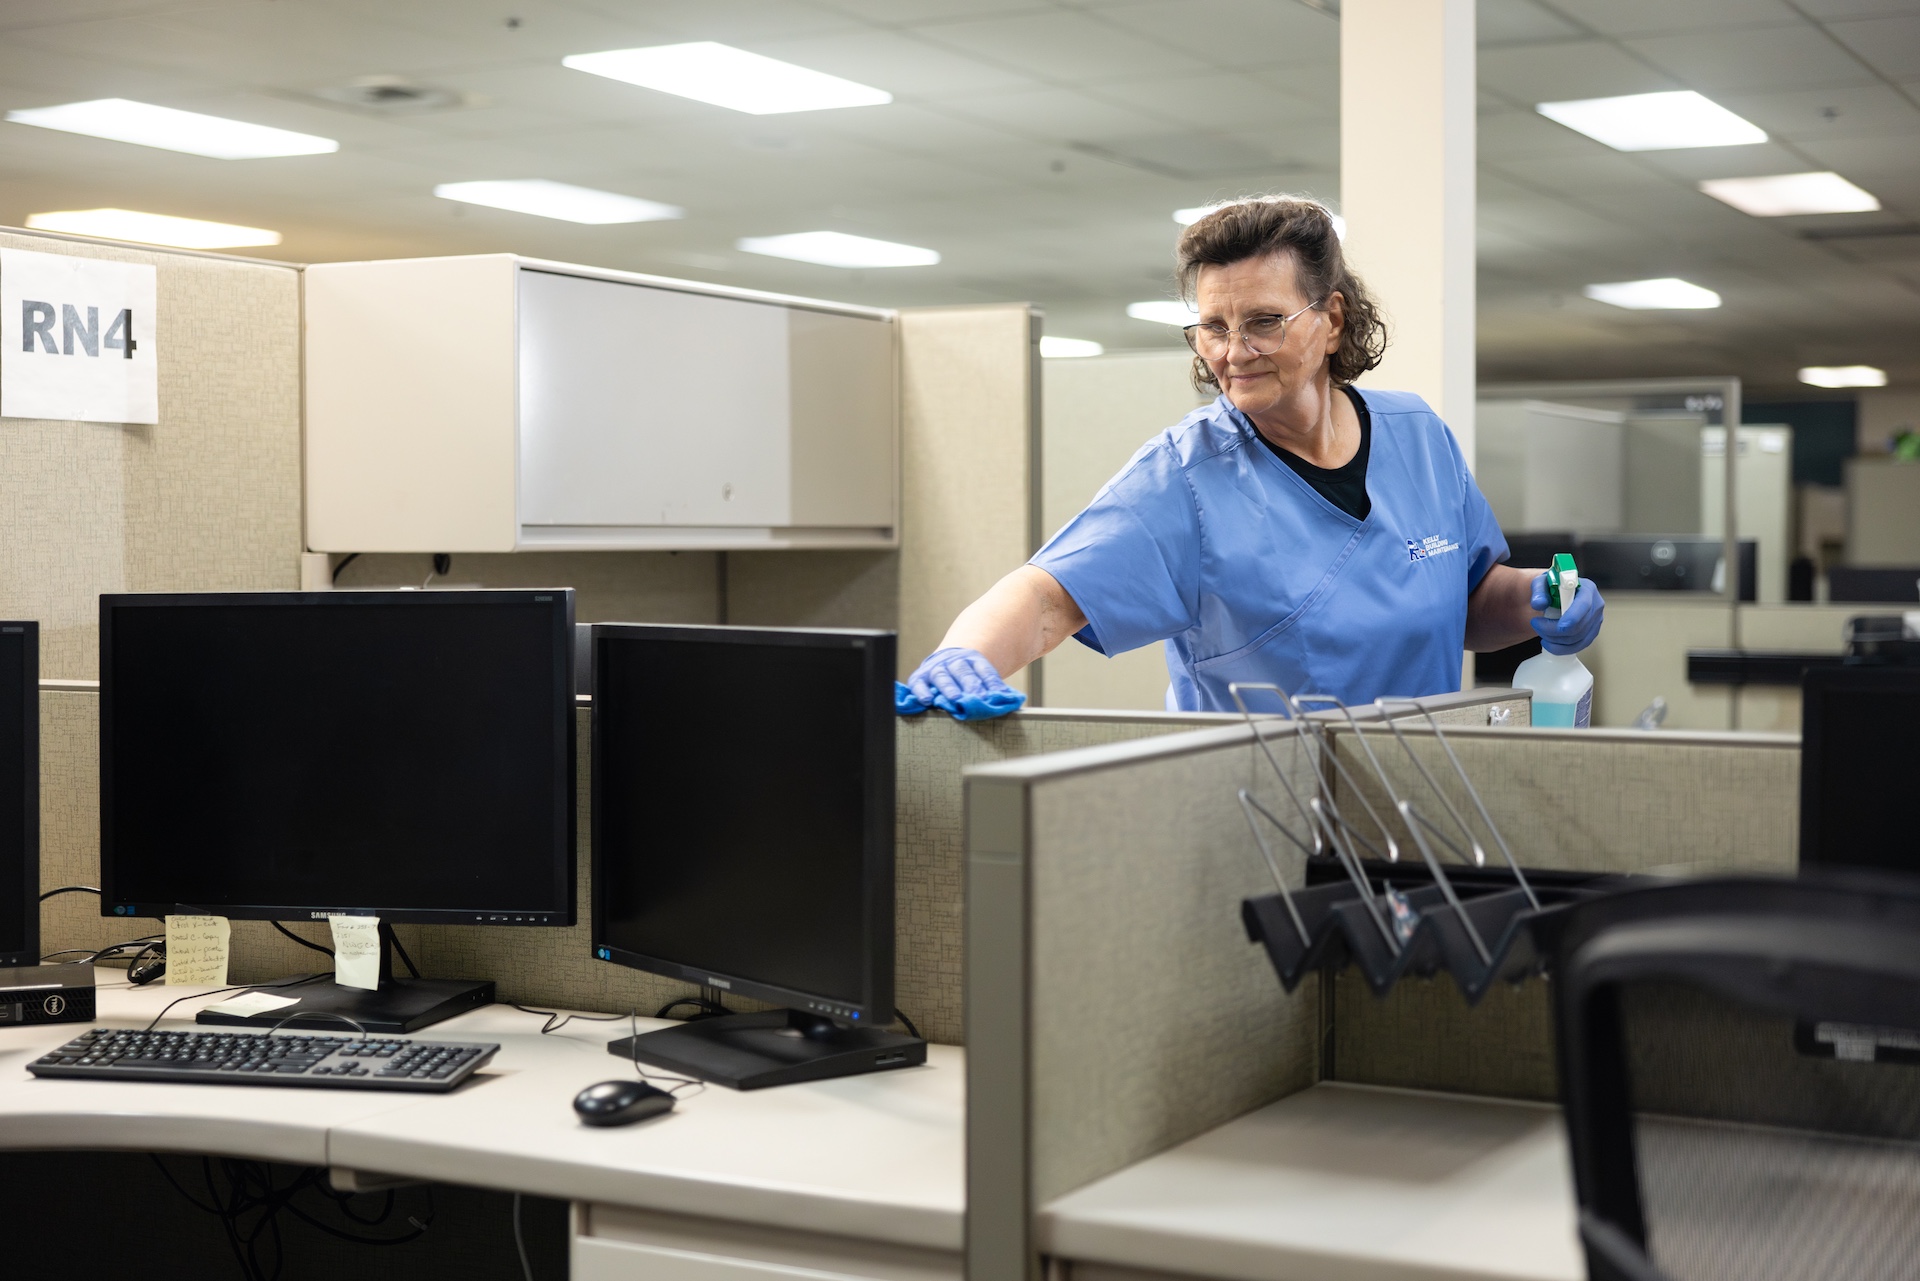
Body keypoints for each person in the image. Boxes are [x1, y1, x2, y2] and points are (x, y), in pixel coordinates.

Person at [896, 196, 1603, 720]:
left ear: (1331, 319)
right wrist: (965, 655)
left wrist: (1543, 597)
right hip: (1259, 826)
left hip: (1425, 806)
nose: (1233, 351)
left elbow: (1469, 598)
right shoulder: (1185, 478)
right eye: (1212, 327)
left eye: (1263, 320)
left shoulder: (1419, 437)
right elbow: (1046, 598)